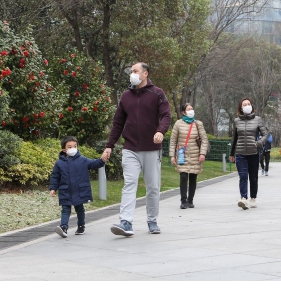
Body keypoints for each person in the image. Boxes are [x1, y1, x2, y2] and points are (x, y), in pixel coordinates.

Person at [102, 62, 171, 237]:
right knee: (129, 184)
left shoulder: (157, 94)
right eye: (131, 71)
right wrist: (109, 145)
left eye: (135, 71)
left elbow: (166, 115)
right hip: (130, 148)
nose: (132, 74)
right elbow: (118, 123)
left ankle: (152, 220)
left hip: (151, 149)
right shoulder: (125, 96)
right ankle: (125, 222)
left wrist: (160, 131)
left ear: (145, 73)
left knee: (153, 187)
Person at [49, 136, 107, 238]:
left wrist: (102, 160)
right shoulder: (59, 163)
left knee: (79, 209)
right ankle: (63, 228)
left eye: (75, 146)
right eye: (70, 147)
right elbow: (55, 177)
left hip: (79, 190)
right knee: (65, 209)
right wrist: (53, 188)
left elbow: (94, 164)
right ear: (64, 149)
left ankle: (81, 226)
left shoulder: (83, 160)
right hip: (66, 190)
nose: (73, 148)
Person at [229, 98, 268, 209]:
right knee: (243, 177)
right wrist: (232, 153)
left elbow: (266, 134)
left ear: (251, 106)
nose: (246, 106)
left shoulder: (257, 120)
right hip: (240, 153)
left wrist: (259, 143)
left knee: (253, 177)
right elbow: (234, 138)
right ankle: (244, 199)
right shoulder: (236, 121)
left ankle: (253, 198)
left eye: (248, 104)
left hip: (253, 153)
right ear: (241, 108)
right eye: (244, 104)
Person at [169, 103, 209, 209]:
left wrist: (202, 153)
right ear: (183, 112)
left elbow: (204, 140)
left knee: (193, 176)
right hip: (182, 153)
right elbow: (173, 141)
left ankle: (190, 200)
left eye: (192, 109)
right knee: (183, 176)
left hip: (196, 154)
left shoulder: (198, 124)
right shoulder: (178, 124)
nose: (191, 110)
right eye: (188, 109)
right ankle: (183, 200)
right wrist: (172, 155)